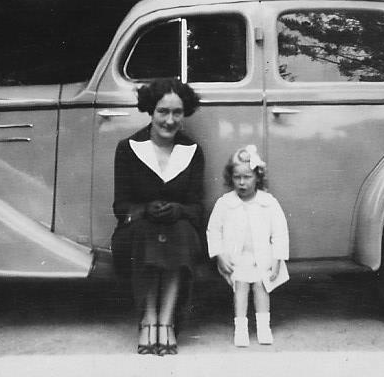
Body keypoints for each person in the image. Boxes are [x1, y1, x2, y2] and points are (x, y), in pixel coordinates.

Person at [111, 78, 204, 355]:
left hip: (179, 235)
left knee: (180, 231)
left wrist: (179, 210)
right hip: (136, 236)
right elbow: (120, 206)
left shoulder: (193, 151)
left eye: (177, 112)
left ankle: (166, 321)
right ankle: (148, 318)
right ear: (150, 111)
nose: (170, 120)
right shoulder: (128, 148)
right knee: (149, 232)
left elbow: (197, 209)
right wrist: (144, 209)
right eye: (163, 111)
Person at [206, 145, 289, 347]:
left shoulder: (268, 202)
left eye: (247, 177)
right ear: (231, 178)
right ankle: (241, 328)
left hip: (262, 257)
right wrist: (219, 254)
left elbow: (279, 232)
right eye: (237, 177)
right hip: (237, 258)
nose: (242, 182)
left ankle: (263, 327)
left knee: (262, 286)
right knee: (241, 286)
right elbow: (213, 230)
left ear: (257, 177)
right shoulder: (225, 203)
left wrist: (278, 259)